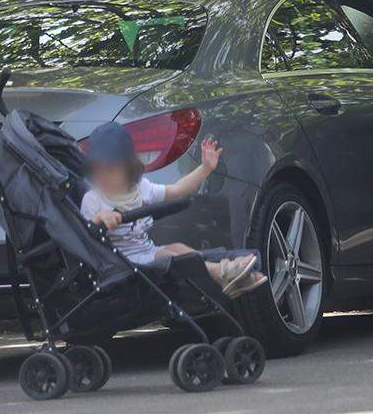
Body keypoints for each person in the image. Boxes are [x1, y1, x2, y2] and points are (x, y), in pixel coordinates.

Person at [79, 121, 266, 297]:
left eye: (110, 169)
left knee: (178, 248)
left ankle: (230, 272)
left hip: (147, 253)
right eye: (98, 169)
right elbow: (81, 235)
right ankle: (220, 272)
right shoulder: (93, 200)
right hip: (121, 263)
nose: (103, 175)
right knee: (171, 256)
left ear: (128, 167)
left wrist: (205, 168)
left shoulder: (141, 188)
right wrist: (98, 220)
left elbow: (177, 190)